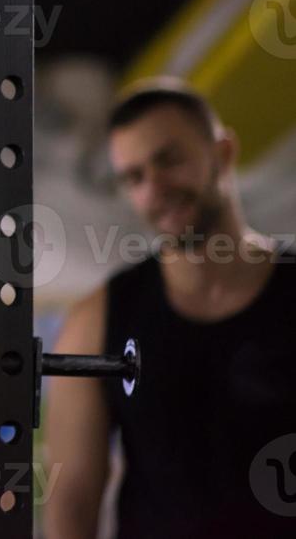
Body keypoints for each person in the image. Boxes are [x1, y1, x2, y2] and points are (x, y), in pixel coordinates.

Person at [44, 78, 296, 538]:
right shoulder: (96, 320)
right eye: (134, 177)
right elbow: (72, 499)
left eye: (169, 160)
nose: (155, 187)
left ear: (222, 153)